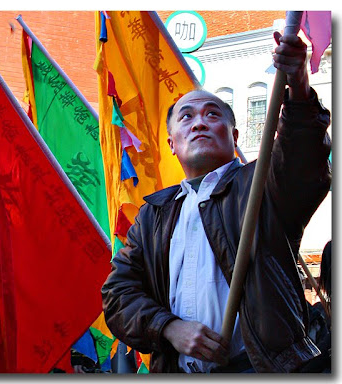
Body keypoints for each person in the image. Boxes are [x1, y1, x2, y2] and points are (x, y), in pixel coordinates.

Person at [101, 33, 331, 373]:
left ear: (234, 137)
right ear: (172, 144)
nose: (199, 123)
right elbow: (118, 294)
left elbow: (301, 156)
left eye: (212, 115)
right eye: (186, 117)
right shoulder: (154, 216)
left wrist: (298, 87)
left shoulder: (261, 186)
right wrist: (167, 327)